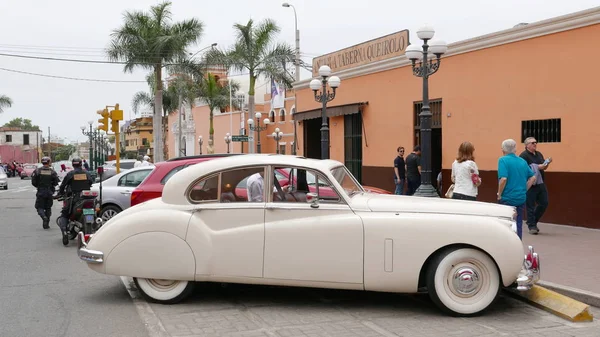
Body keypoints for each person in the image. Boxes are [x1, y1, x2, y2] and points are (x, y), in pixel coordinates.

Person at [497, 139, 536, 240]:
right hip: (520, 198)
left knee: (505, 225)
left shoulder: (503, 160)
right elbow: (533, 177)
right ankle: (518, 244)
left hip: (507, 198)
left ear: (503, 149)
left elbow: (503, 179)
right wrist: (525, 189)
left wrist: (499, 194)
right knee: (518, 224)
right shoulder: (522, 161)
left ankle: (507, 245)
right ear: (515, 149)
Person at [57, 157, 94, 245]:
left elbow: (63, 185)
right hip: (88, 198)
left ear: (73, 165)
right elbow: (91, 182)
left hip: (75, 198)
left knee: (64, 214)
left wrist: (60, 193)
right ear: (81, 164)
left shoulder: (71, 174)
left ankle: (65, 232)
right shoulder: (87, 173)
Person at [519, 137, 551, 235]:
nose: (535, 144)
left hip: (540, 182)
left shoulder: (539, 154)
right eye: (533, 143)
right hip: (530, 183)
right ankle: (532, 226)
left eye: (536, 142)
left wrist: (546, 164)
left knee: (544, 203)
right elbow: (524, 169)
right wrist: (537, 166)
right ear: (527, 145)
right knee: (530, 206)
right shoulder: (523, 156)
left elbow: (543, 167)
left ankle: (533, 221)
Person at [31, 157, 59, 229]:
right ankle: (46, 223)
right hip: (49, 192)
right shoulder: (52, 172)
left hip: (41, 191)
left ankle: (43, 217)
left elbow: (33, 182)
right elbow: (56, 182)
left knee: (39, 207)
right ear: (49, 162)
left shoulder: (37, 171)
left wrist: (38, 186)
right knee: (48, 208)